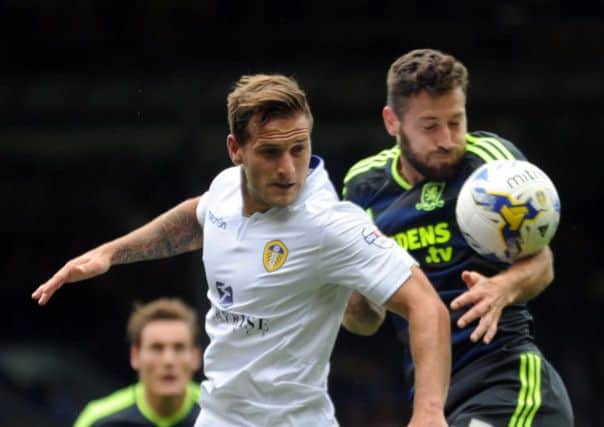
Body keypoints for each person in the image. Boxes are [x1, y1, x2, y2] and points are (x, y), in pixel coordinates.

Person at [33, 74, 451, 426]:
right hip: (218, 417)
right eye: (270, 152)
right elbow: (196, 217)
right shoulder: (225, 189)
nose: (288, 169)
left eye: (299, 149)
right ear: (236, 151)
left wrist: (429, 411)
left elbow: (426, 307)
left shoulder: (330, 223)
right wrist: (109, 254)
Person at [342, 48, 574, 426]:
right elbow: (364, 323)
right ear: (392, 122)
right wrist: (354, 297)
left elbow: (542, 261)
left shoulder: (492, 164)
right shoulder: (363, 185)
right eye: (430, 126)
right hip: (435, 398)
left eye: (456, 121)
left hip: (510, 381)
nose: (448, 139)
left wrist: (503, 288)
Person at [74, 298, 202, 427]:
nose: (168, 360)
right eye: (156, 348)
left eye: (179, 348)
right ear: (135, 356)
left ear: (196, 357)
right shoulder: (99, 420)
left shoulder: (218, 413)